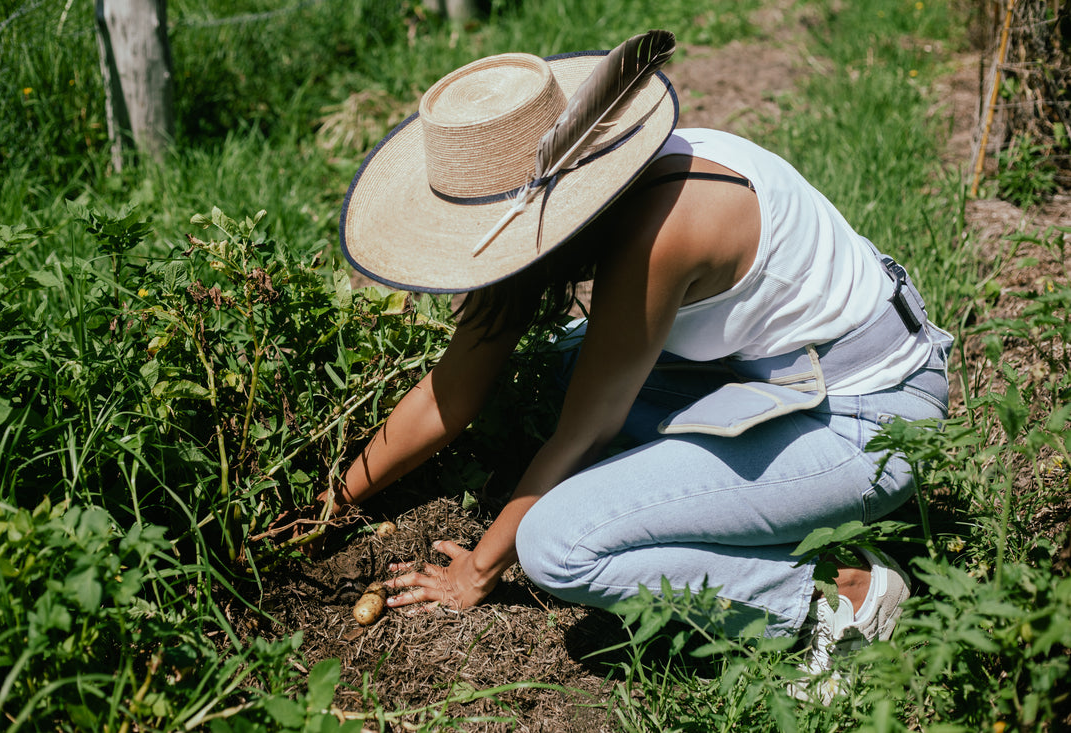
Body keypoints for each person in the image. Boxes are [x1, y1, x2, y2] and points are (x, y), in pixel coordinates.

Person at [331, 30, 953, 689]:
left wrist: (477, 570)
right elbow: (449, 393)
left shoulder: (661, 234)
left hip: (870, 423)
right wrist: (336, 498)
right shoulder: (628, 184)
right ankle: (768, 520)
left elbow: (584, 433)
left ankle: (837, 600)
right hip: (784, 375)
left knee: (556, 546)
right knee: (560, 365)